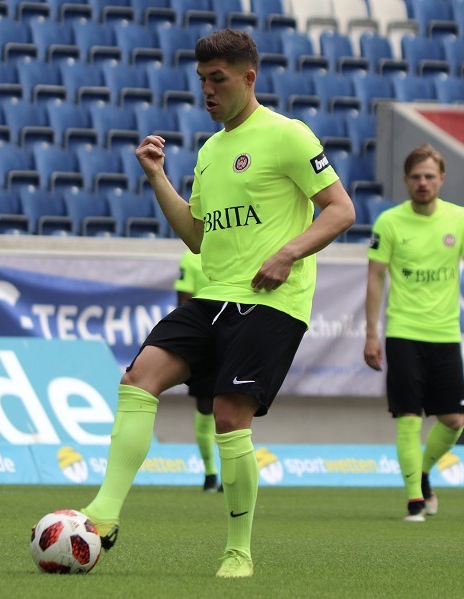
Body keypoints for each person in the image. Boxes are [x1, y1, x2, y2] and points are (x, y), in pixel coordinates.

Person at [80, 28, 355, 578]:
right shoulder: (209, 150)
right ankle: (103, 514)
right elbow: (199, 236)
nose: (207, 90)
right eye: (202, 80)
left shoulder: (288, 136)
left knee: (231, 418)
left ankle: (238, 549)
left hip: (272, 303)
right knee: (139, 378)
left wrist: (288, 253)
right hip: (214, 297)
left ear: (248, 77)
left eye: (218, 80)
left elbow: (340, 209)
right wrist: (158, 179)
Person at [363, 143, 464, 523]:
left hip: (445, 334)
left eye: (429, 176)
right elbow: (374, 279)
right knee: (409, 418)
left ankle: (421, 473)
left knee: (454, 421)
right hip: (403, 332)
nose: (423, 183)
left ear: (442, 179)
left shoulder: (461, 219)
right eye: (416, 177)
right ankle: (414, 501)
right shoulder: (389, 222)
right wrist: (372, 333)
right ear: (405, 180)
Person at [175, 248, 222, 492]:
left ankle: (227, 474)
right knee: (205, 406)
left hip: (235, 335)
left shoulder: (237, 247)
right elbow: (183, 299)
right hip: (206, 338)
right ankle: (210, 473)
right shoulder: (191, 256)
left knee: (232, 406)